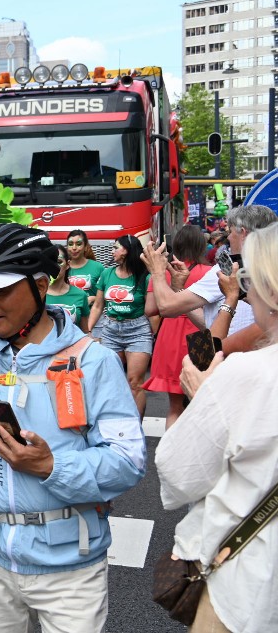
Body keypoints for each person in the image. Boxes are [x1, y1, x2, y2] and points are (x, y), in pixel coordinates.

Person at [0, 223, 145, 632]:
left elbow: (128, 462)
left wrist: (50, 467)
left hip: (71, 566)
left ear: (40, 286)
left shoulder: (93, 361)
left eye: (1, 290)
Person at [157, 222, 278, 633]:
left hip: (251, 576)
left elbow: (180, 476)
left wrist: (205, 397)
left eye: (249, 279)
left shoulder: (252, 373)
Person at [145, 205, 278, 357]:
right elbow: (209, 324)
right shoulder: (267, 266)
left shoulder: (228, 270)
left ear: (244, 233)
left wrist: (156, 272)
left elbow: (167, 307)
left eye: (230, 231)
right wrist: (179, 289)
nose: (227, 237)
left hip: (235, 367)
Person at [143, 224, 212, 429]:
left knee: (174, 406)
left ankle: (172, 455)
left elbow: (150, 309)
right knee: (203, 401)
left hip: (171, 335)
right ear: (201, 246)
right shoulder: (209, 273)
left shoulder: (162, 272)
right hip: (201, 334)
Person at [88, 234, 153, 417]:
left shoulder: (144, 276)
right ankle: (116, 426)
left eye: (116, 247)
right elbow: (98, 305)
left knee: (135, 383)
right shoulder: (107, 274)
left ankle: (136, 429)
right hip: (110, 329)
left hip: (138, 330)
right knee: (111, 382)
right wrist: (89, 330)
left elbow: (151, 309)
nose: (112, 251)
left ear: (127, 250)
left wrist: (155, 333)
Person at [46, 244, 90, 332]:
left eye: (59, 262)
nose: (54, 266)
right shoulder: (36, 294)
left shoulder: (80, 295)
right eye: (51, 262)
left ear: (67, 264)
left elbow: (85, 332)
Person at [64, 229, 104, 307]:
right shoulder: (62, 268)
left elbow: (108, 297)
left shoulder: (97, 267)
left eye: (78, 244)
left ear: (85, 247)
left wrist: (93, 299)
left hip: (92, 316)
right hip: (68, 315)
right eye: (71, 244)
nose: (74, 248)